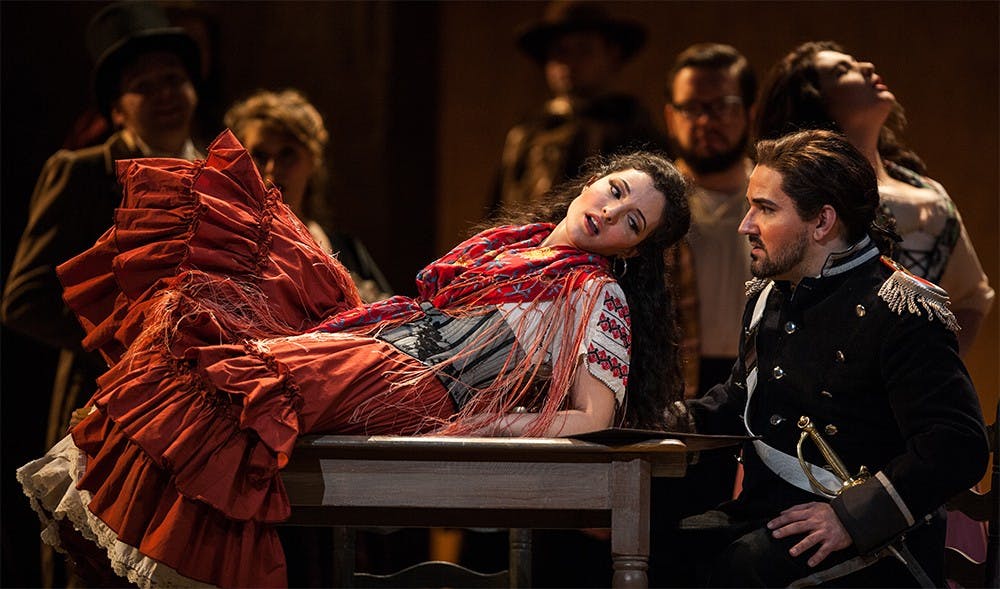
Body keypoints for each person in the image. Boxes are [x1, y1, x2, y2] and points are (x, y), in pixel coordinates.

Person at [16, 129, 691, 588]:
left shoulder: (596, 292)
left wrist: (506, 427)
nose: (612, 210)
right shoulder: (518, 243)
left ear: (632, 251)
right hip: (390, 344)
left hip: (421, 382)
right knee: (219, 327)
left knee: (238, 384)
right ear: (594, 181)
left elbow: (595, 412)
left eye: (634, 219)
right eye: (616, 189)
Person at [678, 129, 988, 587]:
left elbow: (957, 446)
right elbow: (736, 402)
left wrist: (850, 519)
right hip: (770, 515)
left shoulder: (900, 309)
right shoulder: (770, 295)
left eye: (764, 208)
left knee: (739, 569)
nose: (745, 225)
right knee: (659, 545)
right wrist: (655, 419)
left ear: (822, 222)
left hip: (876, 543)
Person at [1, 3, 202, 586]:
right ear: (118, 108)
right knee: (98, 563)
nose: (165, 94)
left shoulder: (218, 175)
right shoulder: (82, 170)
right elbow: (23, 297)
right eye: (144, 87)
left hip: (194, 409)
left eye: (174, 80)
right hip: (102, 402)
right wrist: (126, 337)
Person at [754, 40, 994, 356]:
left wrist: (935, 364)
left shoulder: (927, 193)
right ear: (816, 102)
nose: (866, 66)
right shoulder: (798, 193)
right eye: (843, 71)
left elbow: (971, 297)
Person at [648, 43, 758, 587]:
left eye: (722, 106)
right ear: (670, 114)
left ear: (749, 113)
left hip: (759, 381)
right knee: (673, 536)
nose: (706, 121)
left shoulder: (776, 195)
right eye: (691, 108)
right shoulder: (648, 202)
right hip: (678, 385)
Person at [491, 0, 666, 211]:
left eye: (584, 50)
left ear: (612, 55)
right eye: (560, 51)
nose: (570, 62)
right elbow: (498, 210)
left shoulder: (632, 126)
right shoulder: (527, 133)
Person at [224, 88, 394, 302]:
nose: (272, 169)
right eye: (260, 155)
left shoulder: (348, 249)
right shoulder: (231, 250)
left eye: (287, 154)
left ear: (312, 160)